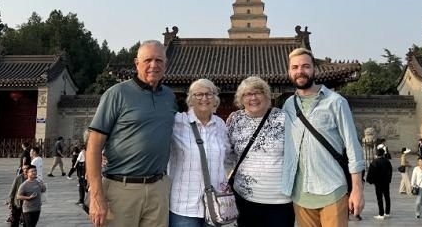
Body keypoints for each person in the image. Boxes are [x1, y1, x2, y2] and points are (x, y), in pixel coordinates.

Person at [86, 40, 177, 227]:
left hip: (158, 189)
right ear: (136, 63)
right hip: (121, 188)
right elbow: (94, 145)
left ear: (166, 64)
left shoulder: (169, 96)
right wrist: (96, 196)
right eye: (148, 60)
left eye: (159, 60)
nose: (154, 65)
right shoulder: (116, 93)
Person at [281, 48, 365, 227]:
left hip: (332, 190)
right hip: (300, 194)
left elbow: (353, 147)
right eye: (295, 67)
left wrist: (357, 189)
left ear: (314, 69)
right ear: (289, 71)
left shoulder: (336, 102)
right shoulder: (288, 105)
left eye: (305, 66)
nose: (300, 71)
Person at [228, 76, 294, 227]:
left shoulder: (283, 118)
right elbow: (226, 152)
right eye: (247, 94)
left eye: (258, 93)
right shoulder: (235, 120)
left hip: (280, 200)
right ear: (241, 99)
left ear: (266, 95)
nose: (253, 98)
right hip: (245, 199)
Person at [168, 78, 230, 227]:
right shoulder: (177, 122)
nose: (204, 98)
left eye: (209, 94)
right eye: (198, 94)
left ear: (215, 99)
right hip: (183, 205)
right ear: (190, 99)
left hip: (216, 205)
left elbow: (227, 155)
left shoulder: (220, 124)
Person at [366, 148, 392, 220]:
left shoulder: (374, 162)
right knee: (387, 197)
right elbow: (390, 172)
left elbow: (371, 173)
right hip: (386, 182)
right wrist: (389, 180)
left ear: (377, 154)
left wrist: (371, 181)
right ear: (383, 154)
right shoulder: (387, 161)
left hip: (378, 183)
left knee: (379, 198)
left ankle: (381, 214)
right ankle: (387, 213)